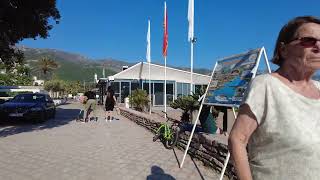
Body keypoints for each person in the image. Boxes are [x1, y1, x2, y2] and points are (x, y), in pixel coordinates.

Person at [229, 16, 320, 180]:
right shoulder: (265, 85)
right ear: (283, 50)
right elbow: (237, 139)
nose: (318, 46)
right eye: (308, 41)